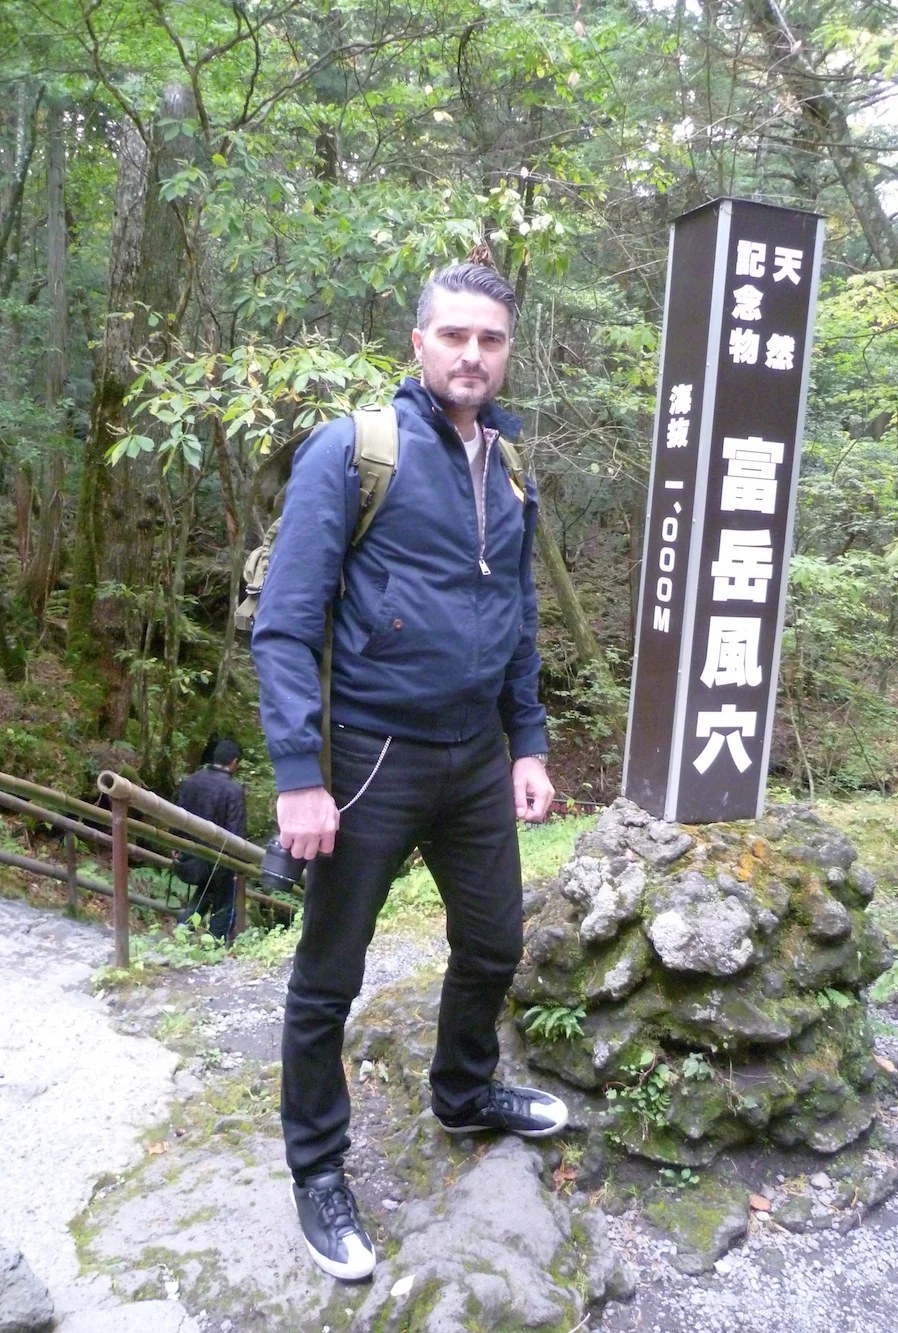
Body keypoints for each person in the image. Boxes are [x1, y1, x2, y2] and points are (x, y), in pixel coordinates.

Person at [251, 260, 565, 1283]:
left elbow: (516, 617)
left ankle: (464, 1088)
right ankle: (316, 1168)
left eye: (490, 338)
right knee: (328, 975)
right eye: (454, 336)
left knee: (492, 942)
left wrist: (528, 741)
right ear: (418, 343)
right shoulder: (353, 451)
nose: (472, 354)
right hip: (370, 755)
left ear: (506, 350)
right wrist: (300, 773)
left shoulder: (510, 465)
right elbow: (286, 625)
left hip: (475, 752)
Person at [174, 737, 247, 940]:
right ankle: (215, 945)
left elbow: (178, 814)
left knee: (205, 893)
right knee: (224, 903)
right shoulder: (233, 790)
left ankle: (184, 928)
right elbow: (236, 830)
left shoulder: (191, 781)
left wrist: (174, 842)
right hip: (219, 858)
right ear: (234, 762)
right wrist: (240, 865)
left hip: (190, 852)